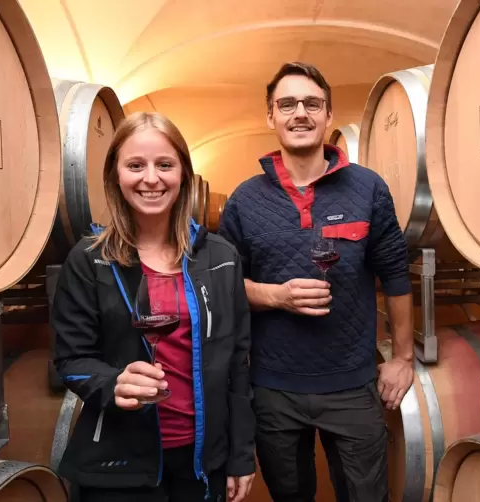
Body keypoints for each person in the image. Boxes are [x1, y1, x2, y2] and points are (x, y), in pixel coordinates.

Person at [217, 62, 415, 502]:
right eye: (286, 104)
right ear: (271, 117)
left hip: (352, 384)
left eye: (312, 103)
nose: (299, 113)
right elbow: (221, 286)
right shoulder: (245, 200)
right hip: (273, 389)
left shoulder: (368, 188)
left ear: (328, 115)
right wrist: (275, 296)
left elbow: (396, 273)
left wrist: (403, 357)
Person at [51, 111, 256, 502]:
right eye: (135, 165)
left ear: (184, 174)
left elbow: (238, 364)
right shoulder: (90, 259)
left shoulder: (221, 257)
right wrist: (113, 383)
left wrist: (240, 456)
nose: (151, 178)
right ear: (115, 175)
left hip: (201, 462)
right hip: (119, 462)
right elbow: (71, 360)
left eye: (165, 164)